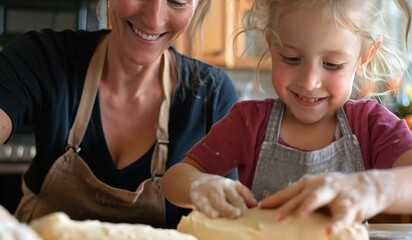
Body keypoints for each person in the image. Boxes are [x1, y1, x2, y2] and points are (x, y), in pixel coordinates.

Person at [162, 0, 412, 233]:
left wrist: (374, 187)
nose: (310, 82)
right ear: (270, 44)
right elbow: (175, 179)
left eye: (332, 64)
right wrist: (200, 185)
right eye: (290, 58)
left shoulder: (371, 127)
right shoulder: (249, 123)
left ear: (364, 57)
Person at [0, 0, 238, 229]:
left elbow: (228, 223)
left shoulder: (212, 96)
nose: (154, 21)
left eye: (176, 1)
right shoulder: (43, 58)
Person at [259, 163, 412, 235]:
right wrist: (230, 183)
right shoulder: (247, 118)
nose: (309, 86)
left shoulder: (374, 123)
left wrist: (375, 186)